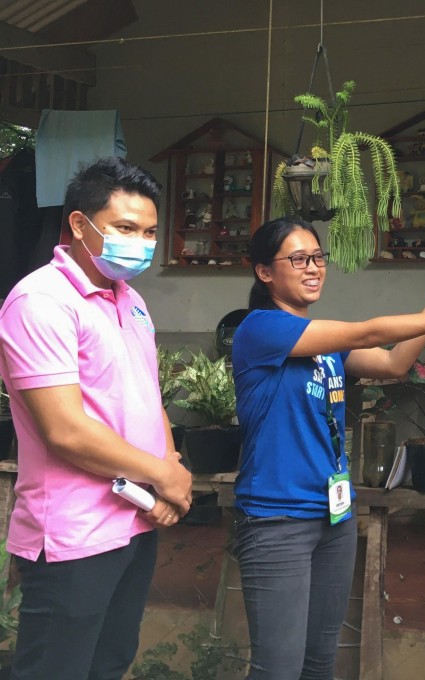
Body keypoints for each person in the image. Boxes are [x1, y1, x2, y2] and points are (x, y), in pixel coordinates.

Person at [230, 217, 425, 680]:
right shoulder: (260, 329)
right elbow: (367, 333)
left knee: (319, 662)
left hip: (333, 518)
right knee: (277, 669)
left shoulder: (324, 347)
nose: (314, 268)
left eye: (318, 258)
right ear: (265, 272)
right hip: (277, 518)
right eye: (298, 259)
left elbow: (392, 362)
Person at [0, 157, 193, 680]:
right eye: (125, 228)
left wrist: (169, 467)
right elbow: (64, 429)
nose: (142, 242)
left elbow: (147, 395)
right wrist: (163, 475)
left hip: (134, 519)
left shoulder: (129, 301)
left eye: (150, 232)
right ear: (80, 226)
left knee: (109, 664)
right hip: (74, 534)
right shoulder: (41, 301)